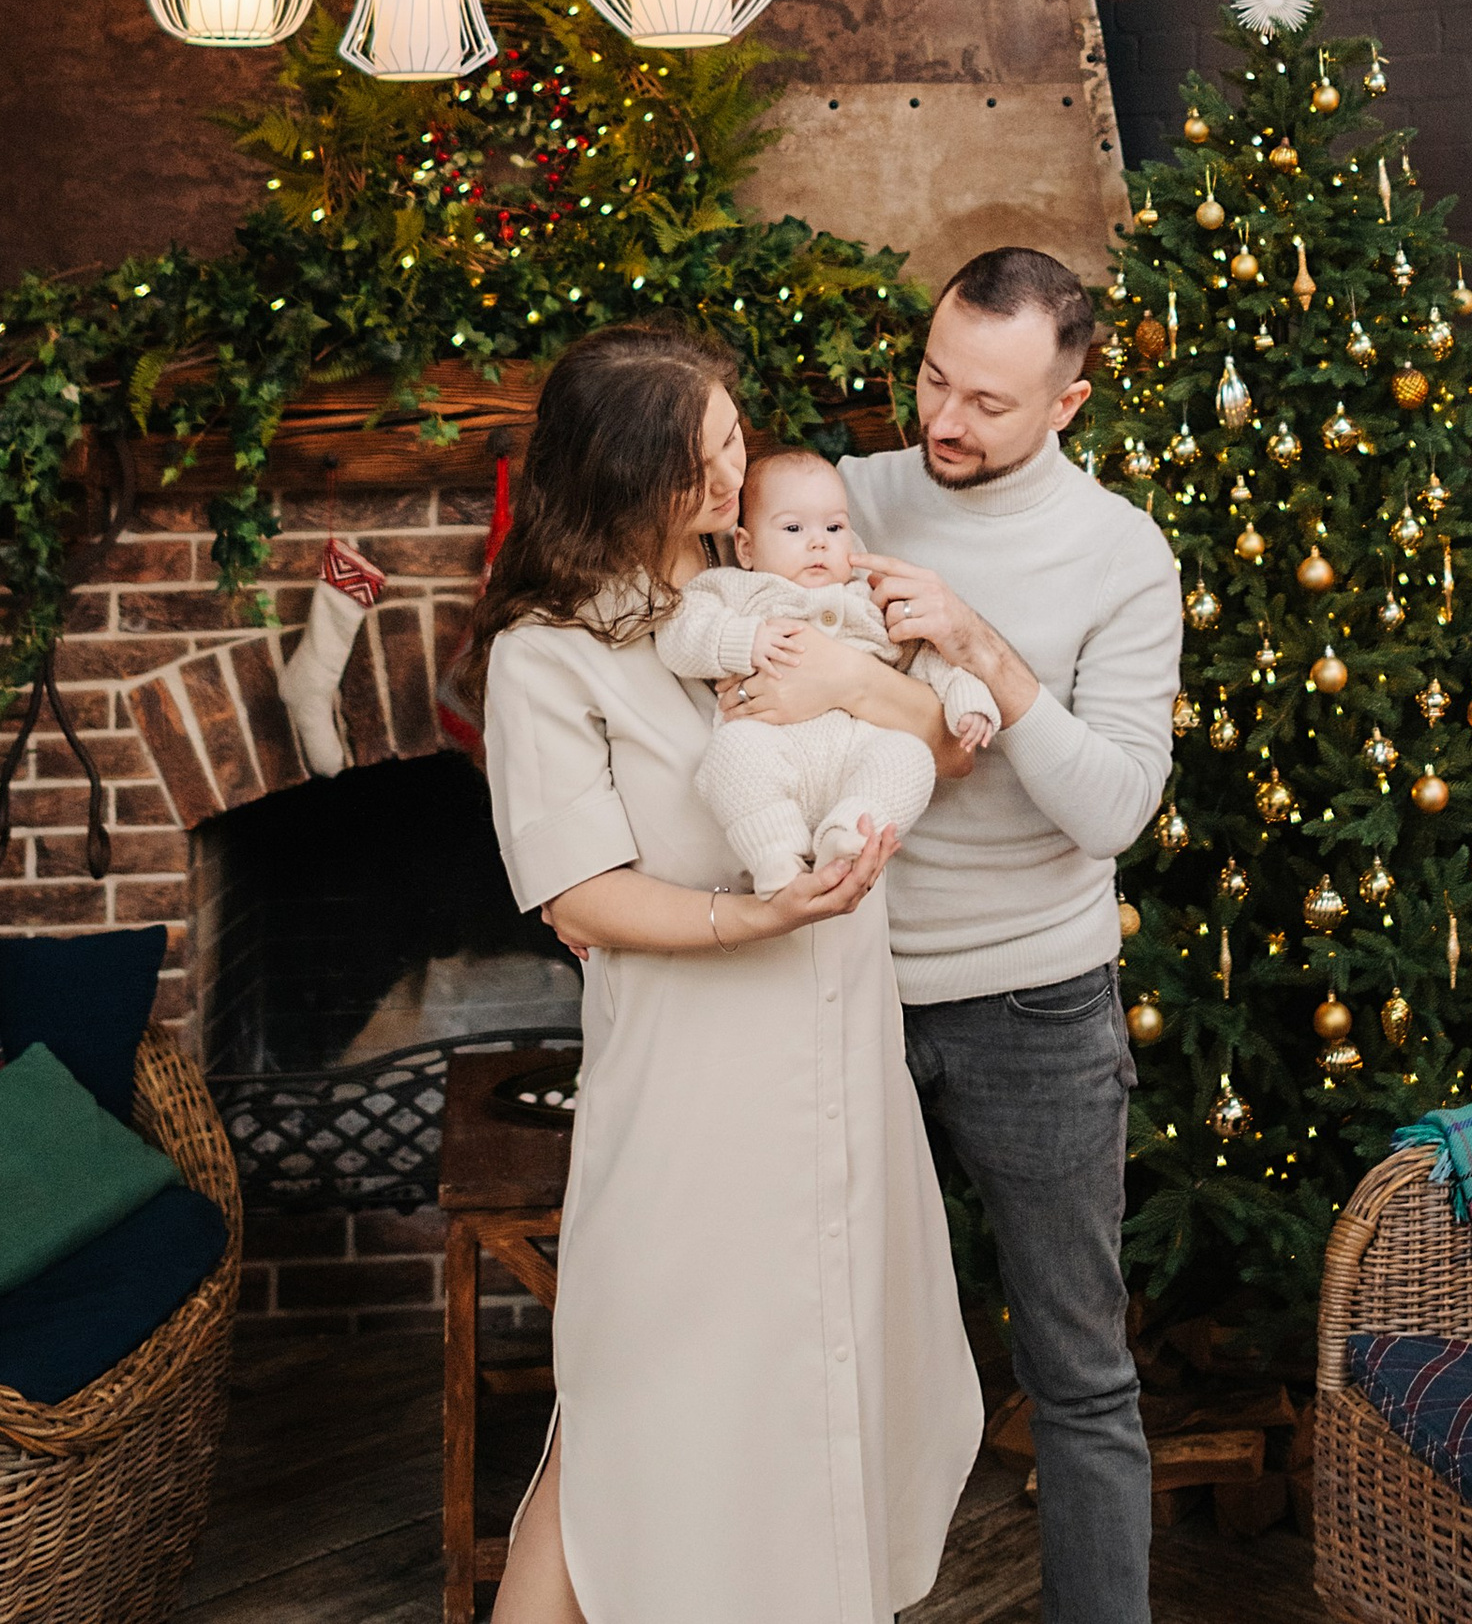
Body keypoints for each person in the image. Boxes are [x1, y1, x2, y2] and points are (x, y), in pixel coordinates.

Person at [473, 320, 981, 1624]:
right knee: (627, 1430)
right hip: (695, 1099)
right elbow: (579, 889)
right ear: (639, 473)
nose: (737, 463)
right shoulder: (550, 655)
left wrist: (870, 687)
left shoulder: (780, 602)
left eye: (734, 434)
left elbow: (938, 739)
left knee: (819, 1413)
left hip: (844, 1081)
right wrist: (748, 920)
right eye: (712, 448)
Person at [724, 246, 1184, 1624]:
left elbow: (1110, 809)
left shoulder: (1120, 554)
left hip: (1035, 1005)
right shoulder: (836, 506)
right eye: (934, 377)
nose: (943, 420)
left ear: (1069, 403)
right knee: (822, 1363)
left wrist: (985, 652)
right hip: (835, 987)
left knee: (1079, 1371)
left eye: (987, 399)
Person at [655, 445, 999, 890]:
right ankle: (776, 857)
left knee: (910, 758)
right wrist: (743, 640)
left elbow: (931, 658)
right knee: (734, 753)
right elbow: (679, 634)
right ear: (746, 547)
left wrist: (968, 700)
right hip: (770, 743)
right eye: (794, 528)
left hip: (858, 753)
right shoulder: (736, 591)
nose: (818, 542)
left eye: (834, 527)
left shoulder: (872, 602)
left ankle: (849, 835)